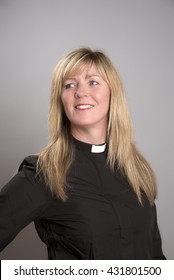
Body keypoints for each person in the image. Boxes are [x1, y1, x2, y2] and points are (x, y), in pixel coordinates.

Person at [0, 47, 166, 260]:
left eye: (93, 82)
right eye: (69, 85)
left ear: (112, 92)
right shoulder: (44, 173)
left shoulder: (136, 169)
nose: (80, 92)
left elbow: (155, 259)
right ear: (61, 100)